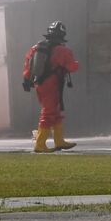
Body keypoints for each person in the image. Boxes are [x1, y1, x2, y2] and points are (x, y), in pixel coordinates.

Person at [21, 20, 80, 153]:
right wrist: (76, 63)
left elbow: (27, 65)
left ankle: (59, 141)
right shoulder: (63, 51)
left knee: (55, 111)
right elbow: (72, 67)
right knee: (48, 113)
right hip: (52, 85)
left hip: (39, 84)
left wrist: (26, 80)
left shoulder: (35, 48)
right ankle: (40, 144)